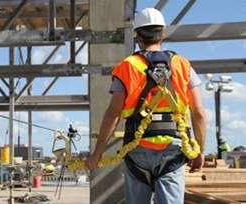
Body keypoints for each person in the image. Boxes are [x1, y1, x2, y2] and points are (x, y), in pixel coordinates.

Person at [86, 8, 207, 204]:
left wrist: (97, 154)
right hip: (173, 150)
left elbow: (112, 113)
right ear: (163, 34)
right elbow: (199, 113)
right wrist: (199, 151)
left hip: (138, 150)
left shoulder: (127, 66)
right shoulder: (183, 65)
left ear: (137, 36)